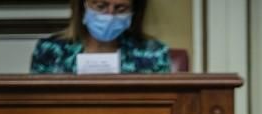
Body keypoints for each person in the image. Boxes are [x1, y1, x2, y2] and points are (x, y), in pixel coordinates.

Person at [30, 0, 170, 74]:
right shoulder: (49, 51)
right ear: (83, 5)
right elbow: (39, 109)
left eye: (120, 8)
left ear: (133, 11)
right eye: (101, 6)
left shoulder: (153, 54)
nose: (109, 15)